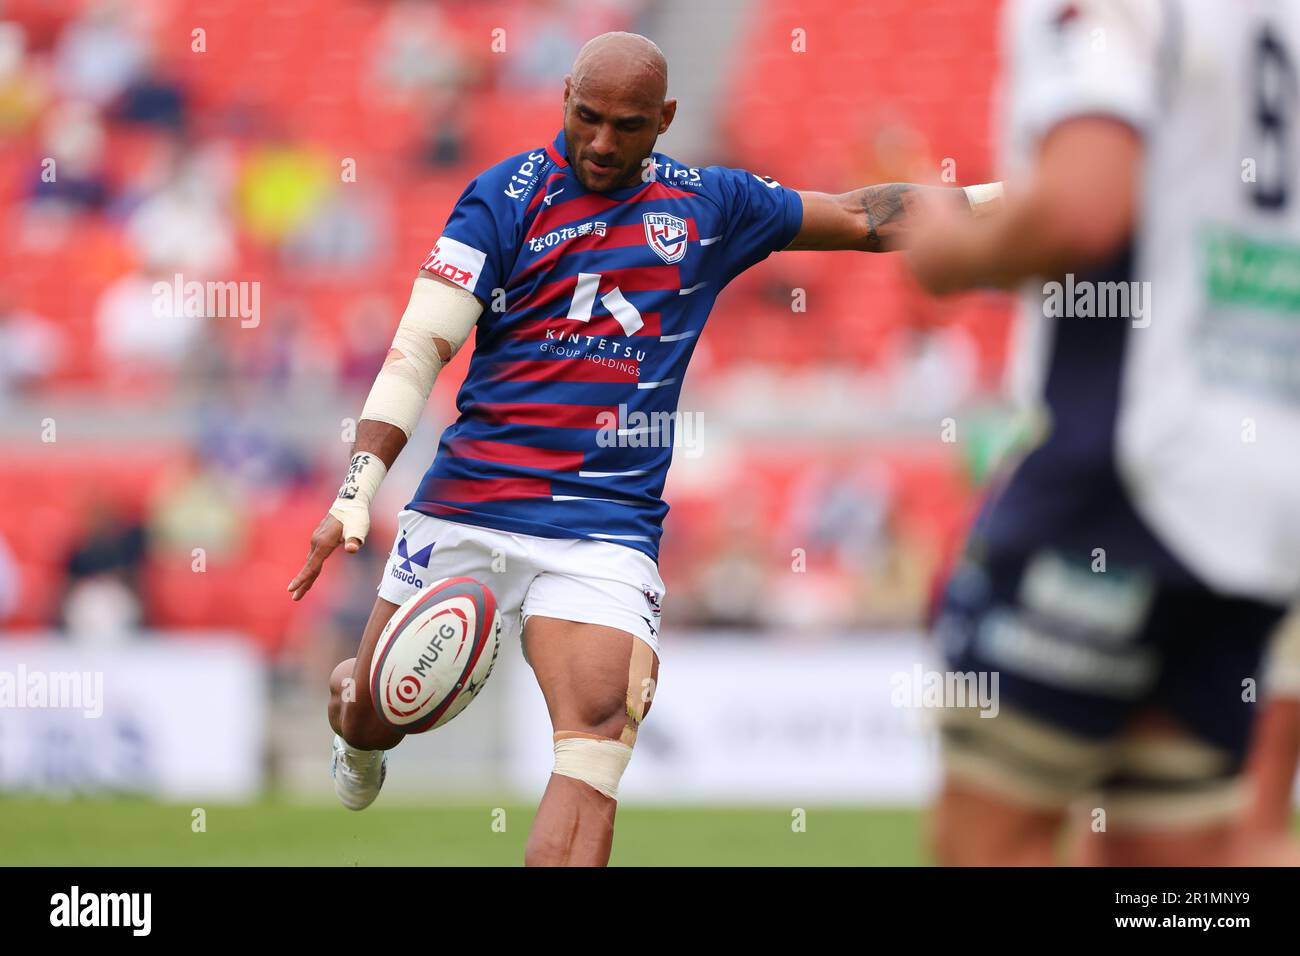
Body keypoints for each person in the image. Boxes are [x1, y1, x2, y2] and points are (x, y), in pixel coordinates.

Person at [288, 31, 999, 867]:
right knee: (373, 710)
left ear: (664, 118)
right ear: (562, 96)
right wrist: (356, 488)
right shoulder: (502, 197)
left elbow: (863, 216)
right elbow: (418, 348)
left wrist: (1019, 201)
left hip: (605, 527)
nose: (599, 142)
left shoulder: (709, 205)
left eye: (626, 126)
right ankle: (362, 732)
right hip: (471, 500)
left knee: (595, 737)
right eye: (586, 117)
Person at [905, 0, 1300, 865]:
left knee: (989, 841)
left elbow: (1084, 208)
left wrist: (949, 249)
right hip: (1263, 484)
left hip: (1126, 474)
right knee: (1177, 868)